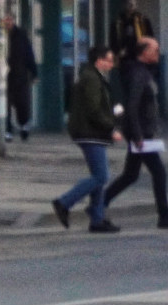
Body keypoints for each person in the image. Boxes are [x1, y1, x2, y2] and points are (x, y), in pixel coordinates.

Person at [102, 38, 168, 229]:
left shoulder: (142, 71)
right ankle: (164, 216)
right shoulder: (138, 73)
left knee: (130, 175)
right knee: (159, 172)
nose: (158, 52)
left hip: (140, 131)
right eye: (155, 49)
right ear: (144, 52)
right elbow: (132, 106)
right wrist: (138, 135)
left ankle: (99, 203)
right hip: (140, 132)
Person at [52, 46, 124, 234]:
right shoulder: (92, 79)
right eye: (108, 60)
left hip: (90, 132)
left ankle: (97, 219)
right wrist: (111, 128)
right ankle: (64, 202)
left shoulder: (93, 77)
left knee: (98, 176)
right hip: (89, 132)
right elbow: (93, 109)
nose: (111, 64)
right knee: (101, 176)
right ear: (98, 60)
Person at [0, 14, 38, 141]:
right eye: (5, 20)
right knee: (4, 105)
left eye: (9, 20)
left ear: (13, 21)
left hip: (20, 76)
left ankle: (24, 125)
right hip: (1, 77)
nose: (7, 23)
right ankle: (7, 130)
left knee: (22, 104)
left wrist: (34, 72)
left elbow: (29, 54)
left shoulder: (21, 35)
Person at [110, 0, 154, 95]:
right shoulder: (118, 22)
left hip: (140, 61)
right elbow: (113, 41)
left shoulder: (143, 21)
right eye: (129, 4)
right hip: (124, 61)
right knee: (126, 90)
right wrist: (118, 52)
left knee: (138, 90)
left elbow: (151, 40)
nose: (131, 6)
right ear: (124, 4)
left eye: (133, 4)